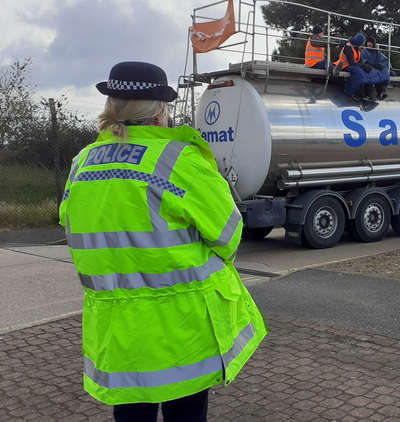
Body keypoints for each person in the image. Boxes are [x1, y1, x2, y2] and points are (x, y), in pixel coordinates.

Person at [59, 61, 267, 422]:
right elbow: (229, 236)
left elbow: (72, 226)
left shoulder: (82, 165)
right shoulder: (178, 163)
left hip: (117, 337)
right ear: (159, 115)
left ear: (111, 109)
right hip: (180, 336)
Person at [333, 33, 371, 100]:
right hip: (343, 65)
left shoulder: (357, 48)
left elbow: (359, 60)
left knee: (366, 71)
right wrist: (363, 66)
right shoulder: (348, 47)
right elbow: (352, 63)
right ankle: (349, 92)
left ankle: (364, 94)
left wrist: (365, 64)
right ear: (358, 43)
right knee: (358, 72)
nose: (362, 46)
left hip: (352, 66)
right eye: (361, 43)